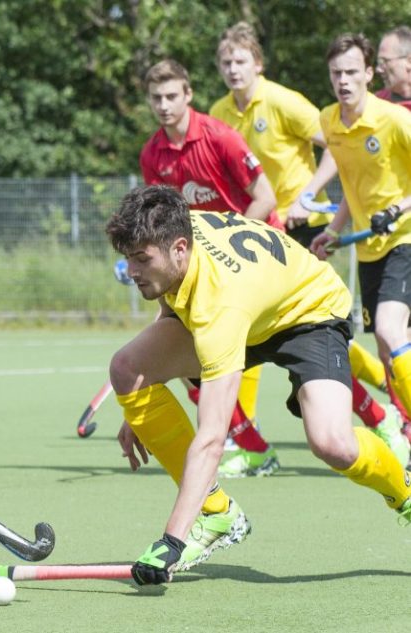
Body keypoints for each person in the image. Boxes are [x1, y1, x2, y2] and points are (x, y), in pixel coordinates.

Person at [107, 185, 411, 586]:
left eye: (142, 260)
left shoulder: (220, 304)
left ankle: (405, 494)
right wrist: (143, 403)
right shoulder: (176, 234)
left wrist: (172, 541)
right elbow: (171, 300)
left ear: (179, 249)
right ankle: (216, 513)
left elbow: (212, 439)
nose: (132, 271)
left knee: (333, 444)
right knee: (128, 369)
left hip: (308, 314)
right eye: (128, 258)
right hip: (253, 307)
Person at [209, 23, 409, 468]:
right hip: (277, 237)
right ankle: (385, 412)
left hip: (341, 233)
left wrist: (310, 196)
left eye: (241, 61)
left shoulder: (291, 103)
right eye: (225, 62)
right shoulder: (229, 112)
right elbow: (348, 173)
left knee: (353, 332)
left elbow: (337, 156)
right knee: (266, 328)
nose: (233, 69)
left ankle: (388, 416)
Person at [140, 58, 281, 479]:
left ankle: (382, 418)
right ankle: (252, 448)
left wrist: (225, 246)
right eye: (156, 98)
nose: (164, 105)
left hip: (255, 258)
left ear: (188, 94)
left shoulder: (220, 137)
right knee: (182, 355)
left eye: (172, 96)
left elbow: (266, 198)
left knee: (302, 349)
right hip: (202, 269)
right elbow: (159, 224)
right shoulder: (152, 153)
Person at [311, 33, 411, 449]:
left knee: (389, 328)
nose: (343, 81)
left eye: (352, 72)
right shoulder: (329, 121)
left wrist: (399, 209)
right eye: (336, 73)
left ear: (370, 73)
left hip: (405, 238)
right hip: (370, 248)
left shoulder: (394, 119)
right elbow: (352, 188)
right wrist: (334, 231)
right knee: (387, 349)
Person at [376, 26, 411, 110]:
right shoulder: (377, 103)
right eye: (379, 62)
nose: (378, 69)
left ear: (409, 61)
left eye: (385, 61)